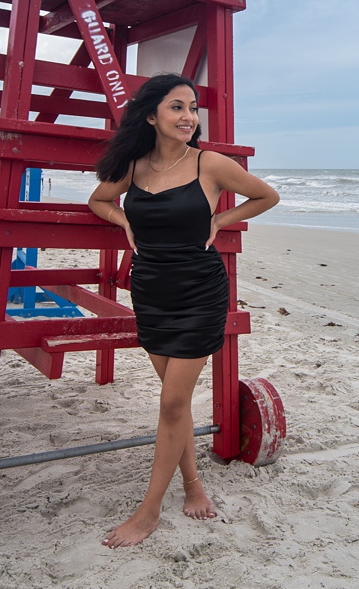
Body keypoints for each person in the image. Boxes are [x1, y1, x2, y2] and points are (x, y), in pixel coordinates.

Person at [87, 73, 279, 548]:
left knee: (172, 404)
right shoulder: (133, 166)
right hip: (151, 291)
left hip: (199, 292)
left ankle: (148, 511)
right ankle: (193, 484)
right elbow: (98, 200)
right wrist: (125, 219)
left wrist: (221, 218)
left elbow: (266, 196)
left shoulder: (209, 163)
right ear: (151, 115)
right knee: (176, 407)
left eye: (193, 108)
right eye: (177, 107)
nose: (189, 117)